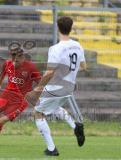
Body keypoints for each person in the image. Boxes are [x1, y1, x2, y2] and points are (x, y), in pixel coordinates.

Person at [25, 16, 87, 156]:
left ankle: (52, 149)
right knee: (55, 107)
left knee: (37, 113)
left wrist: (38, 89)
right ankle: (75, 125)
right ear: (71, 28)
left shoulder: (55, 48)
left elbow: (49, 73)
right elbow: (83, 66)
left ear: (58, 28)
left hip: (55, 87)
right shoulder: (78, 46)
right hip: (69, 87)